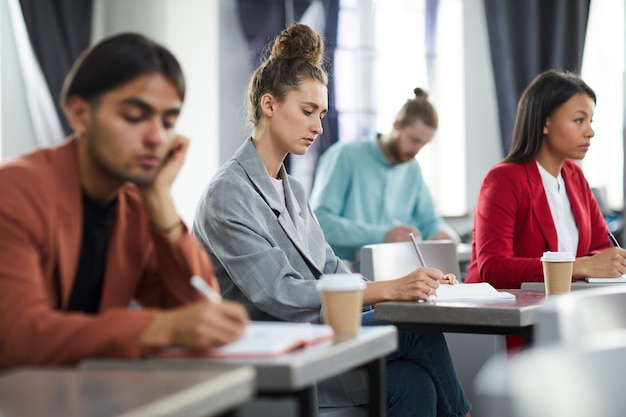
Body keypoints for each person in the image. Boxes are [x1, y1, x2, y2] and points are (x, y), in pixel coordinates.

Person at [193, 23, 471, 417]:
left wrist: (414, 285)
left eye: (321, 114)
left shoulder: (294, 192)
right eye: (307, 112)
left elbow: (332, 270)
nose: (318, 127)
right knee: (414, 330)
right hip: (277, 354)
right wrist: (391, 290)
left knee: (415, 382)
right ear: (269, 105)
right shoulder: (228, 194)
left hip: (319, 340)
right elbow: (282, 295)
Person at [0, 33, 248, 369]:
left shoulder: (134, 206)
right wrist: (156, 328)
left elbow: (199, 311)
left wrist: (160, 199)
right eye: (134, 116)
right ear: (79, 113)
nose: (157, 137)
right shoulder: (14, 191)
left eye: (168, 121)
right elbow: (17, 337)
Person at [465, 69, 626, 289]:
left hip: (562, 307)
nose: (590, 132)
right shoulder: (503, 180)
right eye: (579, 120)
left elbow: (602, 246)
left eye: (591, 121)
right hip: (505, 314)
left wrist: (604, 262)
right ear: (545, 123)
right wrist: (579, 266)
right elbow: (493, 269)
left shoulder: (574, 176)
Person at [309, 88, 459, 265]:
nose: (417, 150)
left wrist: (443, 235)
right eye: (414, 140)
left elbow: (429, 221)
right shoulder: (345, 156)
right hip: (343, 270)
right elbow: (320, 222)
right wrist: (383, 235)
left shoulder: (412, 169)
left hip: (396, 270)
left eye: (424, 144)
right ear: (396, 124)